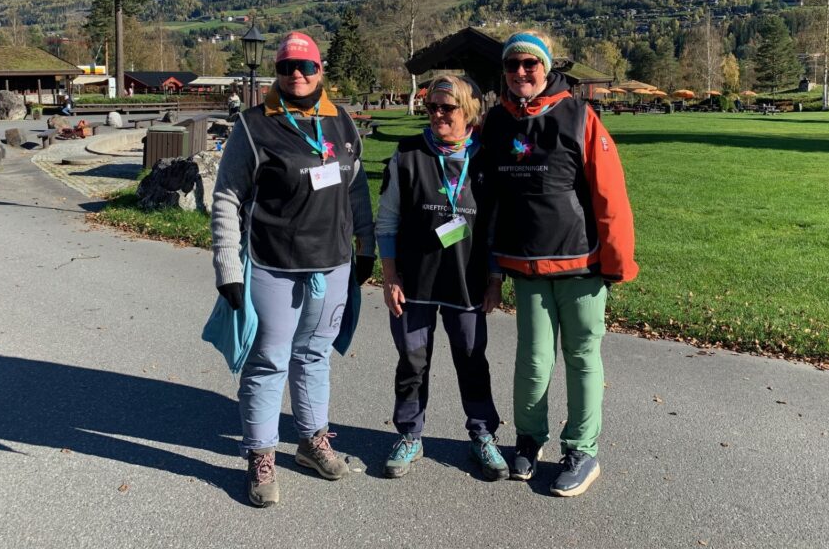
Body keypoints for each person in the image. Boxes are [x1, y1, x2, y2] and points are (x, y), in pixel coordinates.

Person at [211, 30, 376, 508]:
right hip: (272, 263)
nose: (297, 75)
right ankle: (260, 454)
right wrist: (228, 270)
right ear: (276, 73)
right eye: (287, 67)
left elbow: (356, 190)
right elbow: (226, 197)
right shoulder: (253, 126)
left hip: (334, 263)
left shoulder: (342, 121)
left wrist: (364, 246)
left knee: (315, 355)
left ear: (321, 70)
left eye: (306, 67)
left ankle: (310, 441)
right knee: (268, 360)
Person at [482, 30, 638, 498]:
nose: (521, 73)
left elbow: (610, 195)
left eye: (531, 64)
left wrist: (616, 262)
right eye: (513, 66)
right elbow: (486, 200)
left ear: (546, 68)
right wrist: (490, 267)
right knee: (532, 361)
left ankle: (581, 450)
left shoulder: (579, 115)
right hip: (525, 267)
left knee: (582, 357)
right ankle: (529, 440)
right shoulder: (495, 122)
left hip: (582, 266)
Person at [376, 75, 507, 481]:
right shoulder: (408, 154)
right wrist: (390, 275)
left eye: (446, 108)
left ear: (468, 112)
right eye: (431, 106)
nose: (436, 114)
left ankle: (483, 435)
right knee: (412, 361)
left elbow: (494, 229)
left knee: (471, 359)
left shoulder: (486, 158)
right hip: (415, 283)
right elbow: (388, 220)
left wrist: (495, 279)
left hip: (466, 283)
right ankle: (410, 434)